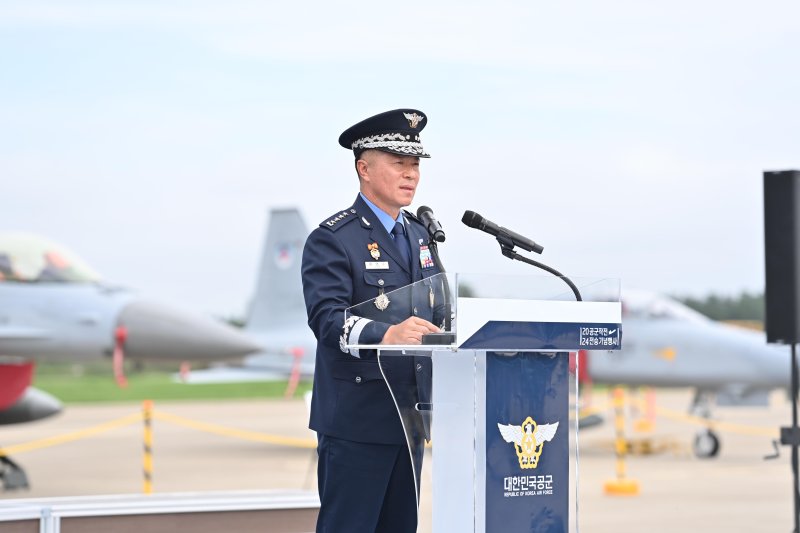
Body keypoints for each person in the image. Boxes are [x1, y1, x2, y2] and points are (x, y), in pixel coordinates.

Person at [301, 108, 444, 533]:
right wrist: (389, 334)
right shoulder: (333, 238)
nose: (411, 174)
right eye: (399, 163)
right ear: (364, 169)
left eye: (415, 164)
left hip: (409, 419)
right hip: (358, 420)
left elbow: (438, 309)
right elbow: (327, 321)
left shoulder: (420, 236)